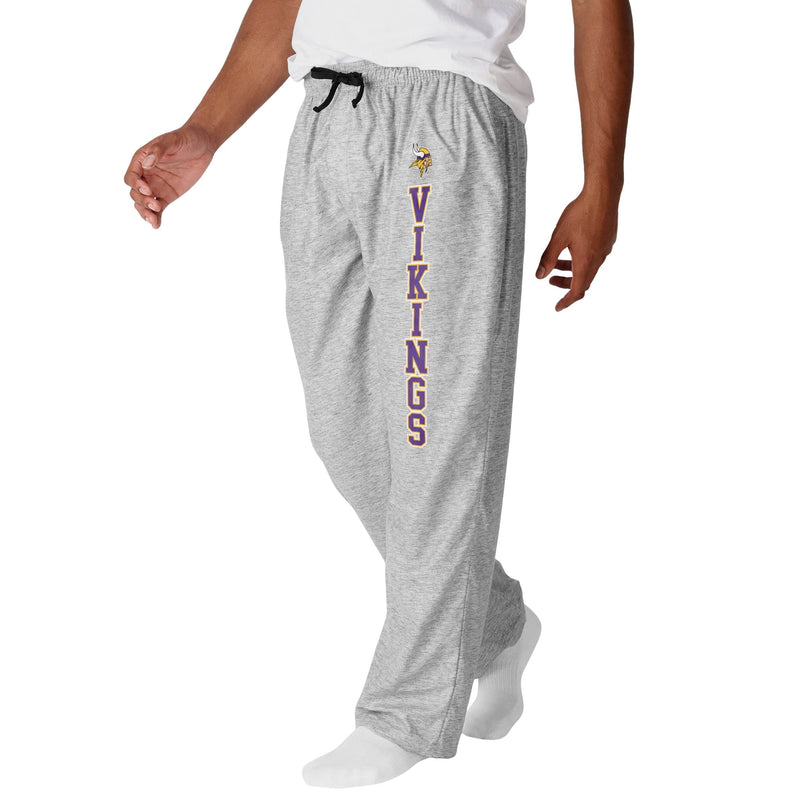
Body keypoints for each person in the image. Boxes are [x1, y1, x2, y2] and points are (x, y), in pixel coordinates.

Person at [123, 0, 634, 788]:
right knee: (346, 429)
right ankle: (495, 625)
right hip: (324, 118)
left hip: (443, 117)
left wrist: (603, 185)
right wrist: (206, 129)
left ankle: (406, 713)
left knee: (434, 433)